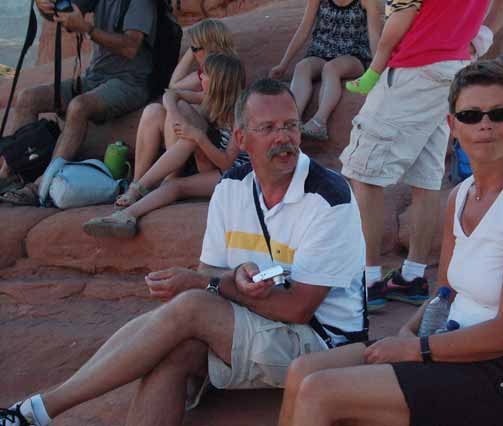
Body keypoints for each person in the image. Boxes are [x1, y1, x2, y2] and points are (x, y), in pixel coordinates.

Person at [0, 79, 367, 426]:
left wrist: (215, 285)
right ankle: (33, 412)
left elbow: (297, 307)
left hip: (322, 342)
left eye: (290, 125)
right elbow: (211, 274)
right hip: (260, 323)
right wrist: (228, 280)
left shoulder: (327, 197)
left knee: (192, 306)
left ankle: (39, 410)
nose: (283, 137)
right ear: (241, 138)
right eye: (267, 128)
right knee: (173, 351)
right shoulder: (231, 188)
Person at [278, 60, 503, 426]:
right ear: (452, 125)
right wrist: (408, 332)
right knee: (303, 370)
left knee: (321, 390)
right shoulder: (462, 194)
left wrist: (417, 350)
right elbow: (446, 292)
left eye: (500, 113)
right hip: (454, 348)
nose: (485, 125)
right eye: (470, 115)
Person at [339, 0, 503, 311]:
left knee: (363, 172)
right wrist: (482, 35)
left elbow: (401, 17)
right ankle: (413, 276)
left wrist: (376, 67)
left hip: (414, 65)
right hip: (454, 68)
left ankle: (367, 281)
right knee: (427, 178)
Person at [0, 0, 157, 204]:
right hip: (95, 77)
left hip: (129, 82)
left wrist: (87, 28)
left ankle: (40, 186)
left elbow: (130, 46)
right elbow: (67, 10)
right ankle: (11, 173)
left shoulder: (140, 3)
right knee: (27, 98)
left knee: (79, 106)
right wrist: (46, 7)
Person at [82, 53, 248, 238]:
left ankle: (130, 208)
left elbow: (227, 164)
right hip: (214, 163)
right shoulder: (211, 98)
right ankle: (130, 203)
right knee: (184, 128)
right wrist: (176, 116)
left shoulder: (240, 113)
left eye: (205, 74)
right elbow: (171, 94)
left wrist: (199, 137)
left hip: (235, 173)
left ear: (219, 82)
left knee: (178, 181)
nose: (200, 76)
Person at [268, 0, 382, 141]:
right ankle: (293, 121)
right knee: (302, 67)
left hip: (354, 54)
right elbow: (304, 28)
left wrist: (377, 70)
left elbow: (374, 36)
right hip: (321, 51)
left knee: (331, 68)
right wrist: (283, 64)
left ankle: (319, 122)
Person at [345, 0, 494, 95]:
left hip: (417, 63)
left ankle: (372, 73)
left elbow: (404, 12)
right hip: (457, 63)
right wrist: (481, 39)